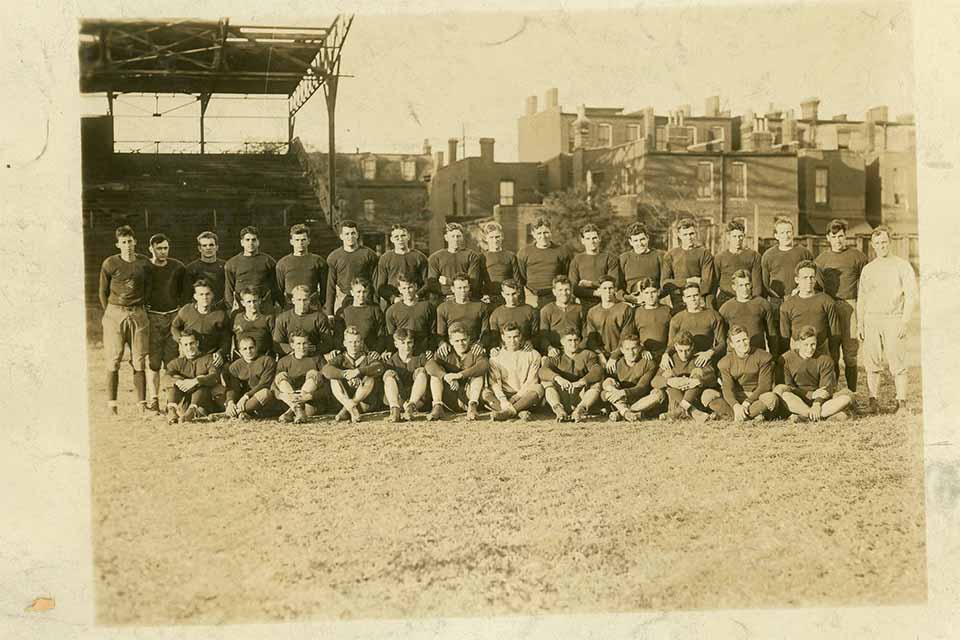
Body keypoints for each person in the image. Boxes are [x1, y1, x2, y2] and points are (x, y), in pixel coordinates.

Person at [857, 225, 919, 415]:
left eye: (884, 242)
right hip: (872, 319)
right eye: (877, 243)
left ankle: (901, 403)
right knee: (872, 362)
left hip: (894, 318)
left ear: (889, 242)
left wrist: (905, 321)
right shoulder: (868, 269)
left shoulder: (901, 266)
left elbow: (911, 296)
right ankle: (873, 401)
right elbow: (862, 298)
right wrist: (860, 323)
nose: (881, 246)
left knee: (897, 361)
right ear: (873, 245)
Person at [99, 225, 152, 415]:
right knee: (113, 358)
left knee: (138, 359)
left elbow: (149, 288)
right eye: (123, 242)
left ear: (135, 242)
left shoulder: (144, 263)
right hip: (115, 313)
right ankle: (112, 405)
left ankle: (142, 405)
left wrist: (141, 307)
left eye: (130, 241)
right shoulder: (110, 263)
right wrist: (110, 313)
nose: (127, 245)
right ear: (118, 244)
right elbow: (103, 292)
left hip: (138, 313)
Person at [815, 219, 869, 392]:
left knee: (850, 352)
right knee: (832, 353)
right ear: (828, 238)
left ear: (845, 236)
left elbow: (868, 281)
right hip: (830, 307)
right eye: (834, 236)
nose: (838, 240)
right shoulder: (821, 260)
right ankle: (835, 393)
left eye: (841, 236)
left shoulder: (857, 256)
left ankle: (852, 393)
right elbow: (817, 286)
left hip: (850, 306)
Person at [774, 326, 853, 422]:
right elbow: (788, 386)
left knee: (846, 397)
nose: (810, 348)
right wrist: (810, 395)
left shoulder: (825, 360)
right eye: (806, 345)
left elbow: (826, 388)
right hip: (797, 398)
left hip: (821, 401)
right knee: (785, 394)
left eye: (813, 344)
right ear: (798, 344)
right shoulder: (786, 358)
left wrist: (816, 404)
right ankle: (816, 415)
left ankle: (805, 416)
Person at [144, 233, 185, 413]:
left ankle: (171, 401)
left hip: (172, 316)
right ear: (151, 248)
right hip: (152, 316)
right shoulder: (145, 267)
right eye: (159, 248)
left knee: (171, 362)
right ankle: (153, 399)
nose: (163, 252)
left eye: (165, 248)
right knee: (153, 362)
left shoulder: (177, 267)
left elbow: (183, 292)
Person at [761, 217, 816, 348]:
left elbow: (812, 276)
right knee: (779, 339)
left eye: (789, 232)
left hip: (799, 298)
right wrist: (774, 297)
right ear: (776, 236)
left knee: (801, 336)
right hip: (777, 302)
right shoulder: (768, 255)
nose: (786, 236)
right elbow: (764, 283)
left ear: (793, 233)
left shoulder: (804, 252)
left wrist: (799, 289)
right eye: (782, 233)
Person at [710, 325, 780, 422]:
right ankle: (750, 415)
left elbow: (765, 386)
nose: (742, 344)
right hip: (737, 396)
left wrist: (748, 402)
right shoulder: (725, 362)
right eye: (738, 341)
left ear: (749, 339)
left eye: (744, 339)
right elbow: (727, 388)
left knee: (771, 398)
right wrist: (735, 405)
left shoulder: (763, 356)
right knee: (708, 395)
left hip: (756, 396)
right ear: (732, 344)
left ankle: (734, 416)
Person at [424, 322, 488, 421]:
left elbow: (483, 365)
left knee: (478, 375)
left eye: (463, 340)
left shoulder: (474, 351)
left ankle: (473, 407)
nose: (461, 343)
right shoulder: (445, 351)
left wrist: (460, 375)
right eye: (457, 341)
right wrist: (445, 376)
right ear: (451, 341)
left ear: (469, 339)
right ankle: (437, 406)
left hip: (469, 394)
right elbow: (429, 365)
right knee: (435, 376)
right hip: (450, 395)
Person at [323, 326, 387, 423]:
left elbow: (379, 367)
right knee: (334, 379)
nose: (353, 345)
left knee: (370, 378)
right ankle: (350, 406)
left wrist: (358, 372)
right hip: (343, 399)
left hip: (363, 403)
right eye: (350, 342)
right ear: (344, 343)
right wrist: (344, 374)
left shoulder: (368, 357)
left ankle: (350, 406)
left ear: (361, 343)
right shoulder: (340, 358)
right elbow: (326, 370)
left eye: (356, 342)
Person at [651, 329, 718, 422]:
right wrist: (670, 381)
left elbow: (713, 378)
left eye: (687, 350)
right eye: (680, 350)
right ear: (675, 346)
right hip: (676, 400)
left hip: (696, 399)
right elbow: (654, 381)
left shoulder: (699, 358)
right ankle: (692, 411)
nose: (684, 354)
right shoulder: (670, 360)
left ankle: (679, 411)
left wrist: (698, 381)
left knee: (697, 372)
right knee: (668, 375)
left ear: (693, 347)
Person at [483, 323, 545, 421]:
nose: (512, 341)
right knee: (485, 393)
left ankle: (508, 412)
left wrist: (516, 397)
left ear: (520, 336)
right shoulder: (495, 358)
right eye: (509, 337)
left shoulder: (533, 354)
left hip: (524, 395)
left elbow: (531, 381)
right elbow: (495, 383)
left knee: (539, 388)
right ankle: (518, 412)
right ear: (503, 337)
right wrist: (503, 400)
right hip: (504, 395)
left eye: (516, 337)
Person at [779, 260, 840, 360]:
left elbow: (834, 332)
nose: (809, 281)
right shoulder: (787, 305)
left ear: (816, 279)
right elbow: (784, 337)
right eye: (805, 278)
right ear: (797, 280)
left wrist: (834, 358)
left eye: (812, 277)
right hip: (797, 350)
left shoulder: (827, 301)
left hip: (820, 349)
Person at [539, 329, 603, 422]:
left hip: (580, 394)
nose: (573, 344)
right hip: (562, 394)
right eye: (569, 340)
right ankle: (559, 410)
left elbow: (597, 370)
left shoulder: (587, 354)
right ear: (562, 342)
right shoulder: (556, 355)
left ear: (580, 341)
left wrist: (582, 382)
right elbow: (542, 371)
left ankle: (580, 410)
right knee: (546, 382)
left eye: (576, 340)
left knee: (596, 384)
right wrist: (558, 378)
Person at [600, 334, 664, 422]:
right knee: (607, 388)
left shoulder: (648, 363)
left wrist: (622, 392)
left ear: (640, 348)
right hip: (621, 399)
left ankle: (623, 412)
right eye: (627, 349)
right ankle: (626, 412)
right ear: (622, 350)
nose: (631, 352)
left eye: (634, 348)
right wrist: (611, 387)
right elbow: (605, 391)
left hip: (640, 400)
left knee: (659, 395)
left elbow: (642, 388)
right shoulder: (616, 364)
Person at [164, 330, 224, 424]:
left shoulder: (208, 358)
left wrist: (196, 381)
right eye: (186, 345)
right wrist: (179, 382)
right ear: (181, 346)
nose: (189, 347)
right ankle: (171, 410)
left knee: (202, 382)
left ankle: (192, 412)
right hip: (186, 400)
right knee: (174, 381)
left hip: (204, 399)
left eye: (192, 343)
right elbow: (165, 378)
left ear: (197, 343)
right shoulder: (177, 362)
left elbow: (214, 376)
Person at [171, 278, 231, 368]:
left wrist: (220, 353)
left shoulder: (220, 314)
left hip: (210, 355)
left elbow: (226, 338)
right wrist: (181, 340)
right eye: (201, 294)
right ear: (195, 296)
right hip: (189, 354)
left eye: (207, 294)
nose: (204, 297)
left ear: (212, 295)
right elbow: (174, 327)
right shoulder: (187, 310)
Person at [325, 219, 379, 317]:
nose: (350, 237)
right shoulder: (334, 257)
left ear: (357, 235)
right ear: (341, 236)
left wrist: (376, 304)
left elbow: (375, 282)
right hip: (344, 298)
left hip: (364, 298)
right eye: (347, 234)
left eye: (353, 233)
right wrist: (329, 313)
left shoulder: (369, 254)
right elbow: (331, 286)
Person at [517, 217, 573, 308]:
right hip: (532, 295)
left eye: (546, 232)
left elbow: (566, 274)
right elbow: (521, 277)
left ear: (551, 232)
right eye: (539, 233)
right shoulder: (524, 252)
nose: (543, 236)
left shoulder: (562, 251)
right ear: (533, 234)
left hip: (555, 295)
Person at [666, 283, 726, 367]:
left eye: (695, 295)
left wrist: (709, 353)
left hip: (704, 359)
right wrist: (665, 355)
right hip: (683, 360)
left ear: (700, 296)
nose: (693, 299)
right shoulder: (676, 319)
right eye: (689, 296)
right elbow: (671, 345)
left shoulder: (713, 315)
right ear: (684, 299)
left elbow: (722, 343)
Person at [718, 269, 777, 355]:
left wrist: (774, 356)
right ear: (734, 287)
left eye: (747, 284)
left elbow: (771, 334)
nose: (744, 289)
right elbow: (722, 339)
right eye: (741, 285)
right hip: (736, 357)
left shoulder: (763, 304)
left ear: (751, 284)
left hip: (758, 353)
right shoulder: (726, 309)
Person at [662, 217, 716, 311]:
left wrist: (693, 297)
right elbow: (665, 283)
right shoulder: (670, 255)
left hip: (699, 300)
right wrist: (687, 281)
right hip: (679, 300)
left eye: (691, 234)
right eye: (685, 234)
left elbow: (706, 284)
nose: (689, 237)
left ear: (695, 233)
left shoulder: (704, 253)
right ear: (679, 235)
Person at [585, 275, 636, 371]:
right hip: (601, 356)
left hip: (621, 355)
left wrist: (614, 356)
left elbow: (627, 335)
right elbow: (591, 339)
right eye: (604, 288)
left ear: (615, 290)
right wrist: (600, 355)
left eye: (610, 288)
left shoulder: (625, 309)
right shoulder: (592, 312)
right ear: (599, 290)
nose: (608, 291)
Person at [274, 331, 327, 423]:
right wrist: (282, 396)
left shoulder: (317, 359)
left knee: (313, 373)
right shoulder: (284, 361)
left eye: (305, 343)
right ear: (292, 345)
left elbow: (328, 386)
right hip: (289, 400)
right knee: (280, 376)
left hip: (310, 402)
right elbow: (274, 386)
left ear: (309, 343)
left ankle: (292, 411)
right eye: (298, 344)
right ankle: (297, 409)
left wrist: (309, 396)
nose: (302, 347)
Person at [224, 226, 280, 312]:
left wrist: (274, 304)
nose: (251, 243)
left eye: (254, 240)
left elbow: (275, 287)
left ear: (258, 242)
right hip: (241, 307)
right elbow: (229, 290)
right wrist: (232, 308)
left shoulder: (268, 261)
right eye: (247, 240)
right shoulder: (231, 264)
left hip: (263, 307)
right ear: (242, 242)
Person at [381, 329, 432, 422]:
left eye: (409, 343)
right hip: (399, 399)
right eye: (402, 343)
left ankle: (411, 407)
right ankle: (394, 409)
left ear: (413, 343)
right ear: (396, 344)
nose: (406, 346)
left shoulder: (420, 357)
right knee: (388, 374)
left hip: (418, 400)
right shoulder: (391, 360)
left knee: (421, 371)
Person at [224, 335, 279, 420]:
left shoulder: (267, 361)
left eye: (251, 348)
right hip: (243, 401)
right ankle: (241, 412)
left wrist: (246, 396)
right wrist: (230, 402)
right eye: (244, 349)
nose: (248, 351)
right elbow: (233, 388)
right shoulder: (234, 366)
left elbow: (264, 384)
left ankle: (230, 414)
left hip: (260, 398)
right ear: (240, 351)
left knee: (265, 393)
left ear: (256, 347)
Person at [272, 284, 336, 357]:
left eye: (305, 300)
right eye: (299, 300)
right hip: (291, 357)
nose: (302, 303)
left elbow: (328, 343)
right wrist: (295, 349)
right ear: (293, 301)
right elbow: (277, 344)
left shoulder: (319, 317)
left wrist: (315, 348)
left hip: (312, 356)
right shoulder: (282, 318)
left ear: (309, 300)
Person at [373, 223, 429, 306]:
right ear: (392, 239)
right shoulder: (385, 259)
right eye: (396, 237)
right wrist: (393, 298)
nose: (400, 239)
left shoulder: (419, 257)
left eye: (403, 236)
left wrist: (417, 295)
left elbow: (427, 283)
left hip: (416, 302)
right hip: (394, 304)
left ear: (408, 237)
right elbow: (381, 287)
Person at [427, 222, 484, 301]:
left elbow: (473, 281)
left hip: (466, 298)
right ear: (446, 238)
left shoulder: (471, 256)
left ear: (462, 237)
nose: (455, 239)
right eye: (452, 236)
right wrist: (448, 294)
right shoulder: (435, 258)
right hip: (444, 299)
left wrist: (448, 281)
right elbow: (432, 283)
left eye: (458, 236)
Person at [569, 223, 623, 306]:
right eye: (588, 239)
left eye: (594, 238)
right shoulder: (577, 260)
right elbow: (573, 287)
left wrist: (591, 283)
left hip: (606, 302)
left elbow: (614, 283)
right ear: (583, 241)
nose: (592, 242)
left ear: (599, 239)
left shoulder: (610, 258)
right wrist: (594, 293)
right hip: (584, 302)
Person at [435, 273, 489, 356]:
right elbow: (440, 333)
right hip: (452, 348)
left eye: (465, 287)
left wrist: (480, 344)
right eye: (459, 288)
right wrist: (442, 343)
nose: (463, 291)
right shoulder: (443, 308)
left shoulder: (481, 306)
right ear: (453, 289)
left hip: (473, 348)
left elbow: (485, 331)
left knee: (483, 363)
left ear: (469, 287)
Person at [276, 223, 327, 309]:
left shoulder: (318, 261)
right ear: (291, 242)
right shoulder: (282, 263)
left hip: (312, 306)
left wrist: (319, 303)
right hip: (290, 307)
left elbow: (324, 288)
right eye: (297, 240)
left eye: (303, 240)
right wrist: (285, 306)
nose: (300, 243)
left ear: (308, 241)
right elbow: (279, 290)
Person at [385, 273, 437, 354]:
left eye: (410, 287)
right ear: (399, 289)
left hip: (423, 351)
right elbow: (391, 335)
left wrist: (431, 349)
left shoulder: (427, 307)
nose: (407, 291)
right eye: (404, 288)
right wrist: (390, 350)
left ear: (416, 286)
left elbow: (433, 331)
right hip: (403, 351)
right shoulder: (392, 310)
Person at [714, 220, 763, 307]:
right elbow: (714, 284)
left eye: (740, 236)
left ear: (744, 236)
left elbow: (757, 285)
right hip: (725, 299)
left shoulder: (754, 256)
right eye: (734, 236)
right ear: (728, 237)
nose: (737, 240)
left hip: (747, 298)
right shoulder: (719, 257)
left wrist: (754, 303)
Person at [536, 276, 587, 356]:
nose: (564, 293)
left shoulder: (580, 309)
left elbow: (585, 334)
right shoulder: (546, 310)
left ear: (571, 290)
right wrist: (549, 348)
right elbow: (543, 336)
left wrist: (579, 349)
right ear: (554, 292)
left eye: (567, 290)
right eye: (560, 290)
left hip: (576, 351)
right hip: (556, 352)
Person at [334, 277, 387, 353]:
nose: (362, 295)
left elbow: (381, 333)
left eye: (364, 292)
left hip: (369, 352)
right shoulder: (344, 312)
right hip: (349, 352)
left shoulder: (375, 310)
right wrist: (338, 349)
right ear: (352, 292)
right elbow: (338, 335)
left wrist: (377, 351)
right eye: (358, 292)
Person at [486, 279, 539, 351]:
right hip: (504, 351)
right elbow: (494, 339)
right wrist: (495, 348)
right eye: (507, 294)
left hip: (525, 350)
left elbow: (536, 334)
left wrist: (531, 342)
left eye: (514, 294)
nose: (511, 298)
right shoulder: (496, 314)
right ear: (502, 294)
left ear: (519, 292)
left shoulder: (530, 310)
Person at [619, 222, 664, 304]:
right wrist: (627, 298)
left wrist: (654, 297)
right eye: (635, 240)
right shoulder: (624, 258)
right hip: (631, 301)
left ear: (647, 238)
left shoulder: (659, 255)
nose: (639, 244)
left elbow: (664, 282)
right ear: (630, 242)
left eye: (642, 239)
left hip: (654, 300)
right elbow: (618, 285)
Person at [479, 221, 522, 308]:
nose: (495, 240)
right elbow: (478, 280)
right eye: (491, 237)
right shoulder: (481, 257)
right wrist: (481, 295)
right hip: (489, 298)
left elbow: (517, 280)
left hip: (508, 298)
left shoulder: (511, 256)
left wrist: (520, 300)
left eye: (497, 237)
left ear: (502, 237)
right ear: (486, 239)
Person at [630, 278, 673, 363]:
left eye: (653, 292)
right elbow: (631, 336)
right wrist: (641, 349)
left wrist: (667, 353)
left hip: (664, 353)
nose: (650, 296)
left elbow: (673, 336)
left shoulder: (667, 310)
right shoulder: (636, 312)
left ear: (658, 292)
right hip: (644, 354)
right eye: (646, 293)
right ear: (642, 294)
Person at [231, 286, 275, 358]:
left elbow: (274, 341)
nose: (252, 305)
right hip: (241, 358)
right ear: (242, 303)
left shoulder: (268, 318)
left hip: (262, 357)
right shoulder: (236, 318)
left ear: (260, 301)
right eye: (249, 302)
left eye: (255, 301)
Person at [184, 231, 226, 306]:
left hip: (221, 308)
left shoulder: (225, 266)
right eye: (204, 245)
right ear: (199, 248)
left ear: (217, 247)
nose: (208, 248)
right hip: (199, 310)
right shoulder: (191, 268)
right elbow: (187, 295)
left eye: (211, 245)